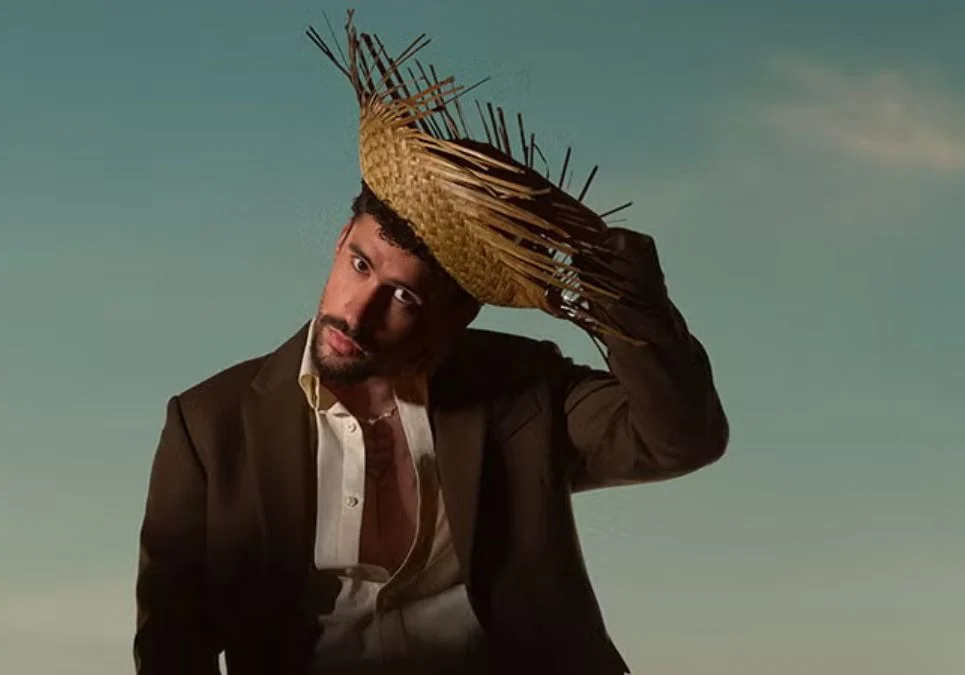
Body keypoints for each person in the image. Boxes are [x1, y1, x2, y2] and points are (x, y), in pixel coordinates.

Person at [133, 14, 728, 675]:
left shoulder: (523, 390)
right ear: (339, 241)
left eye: (405, 296)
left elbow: (682, 437)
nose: (357, 311)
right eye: (359, 264)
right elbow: (171, 646)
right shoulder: (208, 427)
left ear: (458, 315)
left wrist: (634, 307)